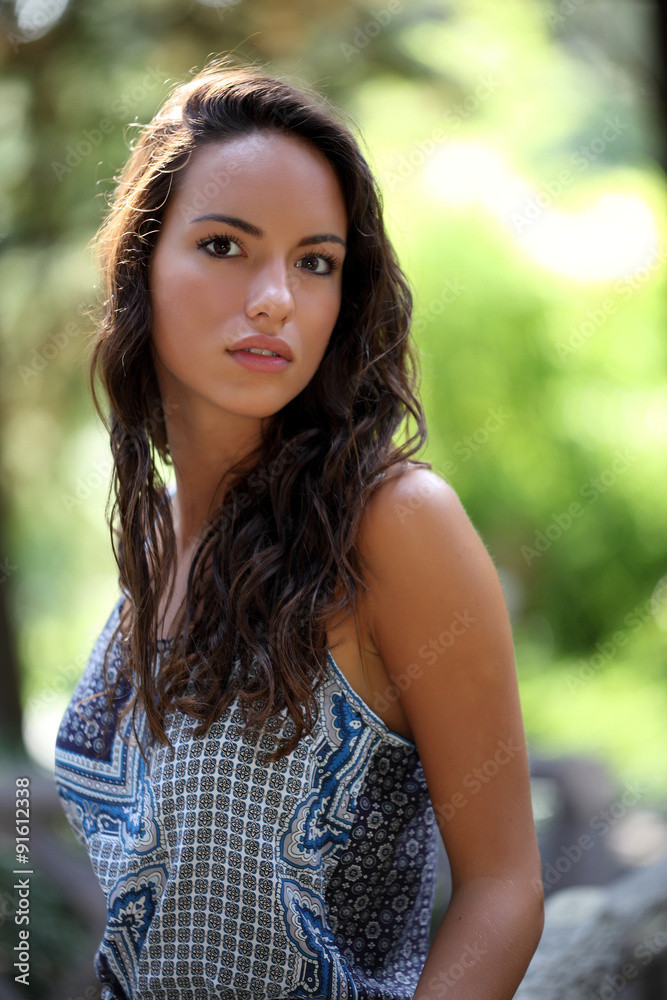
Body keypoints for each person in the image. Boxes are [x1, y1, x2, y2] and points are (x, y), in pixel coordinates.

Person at [53, 55, 544, 1000]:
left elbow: (503, 888)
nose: (275, 296)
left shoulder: (393, 525)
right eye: (226, 246)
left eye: (314, 261)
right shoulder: (152, 543)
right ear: (140, 266)